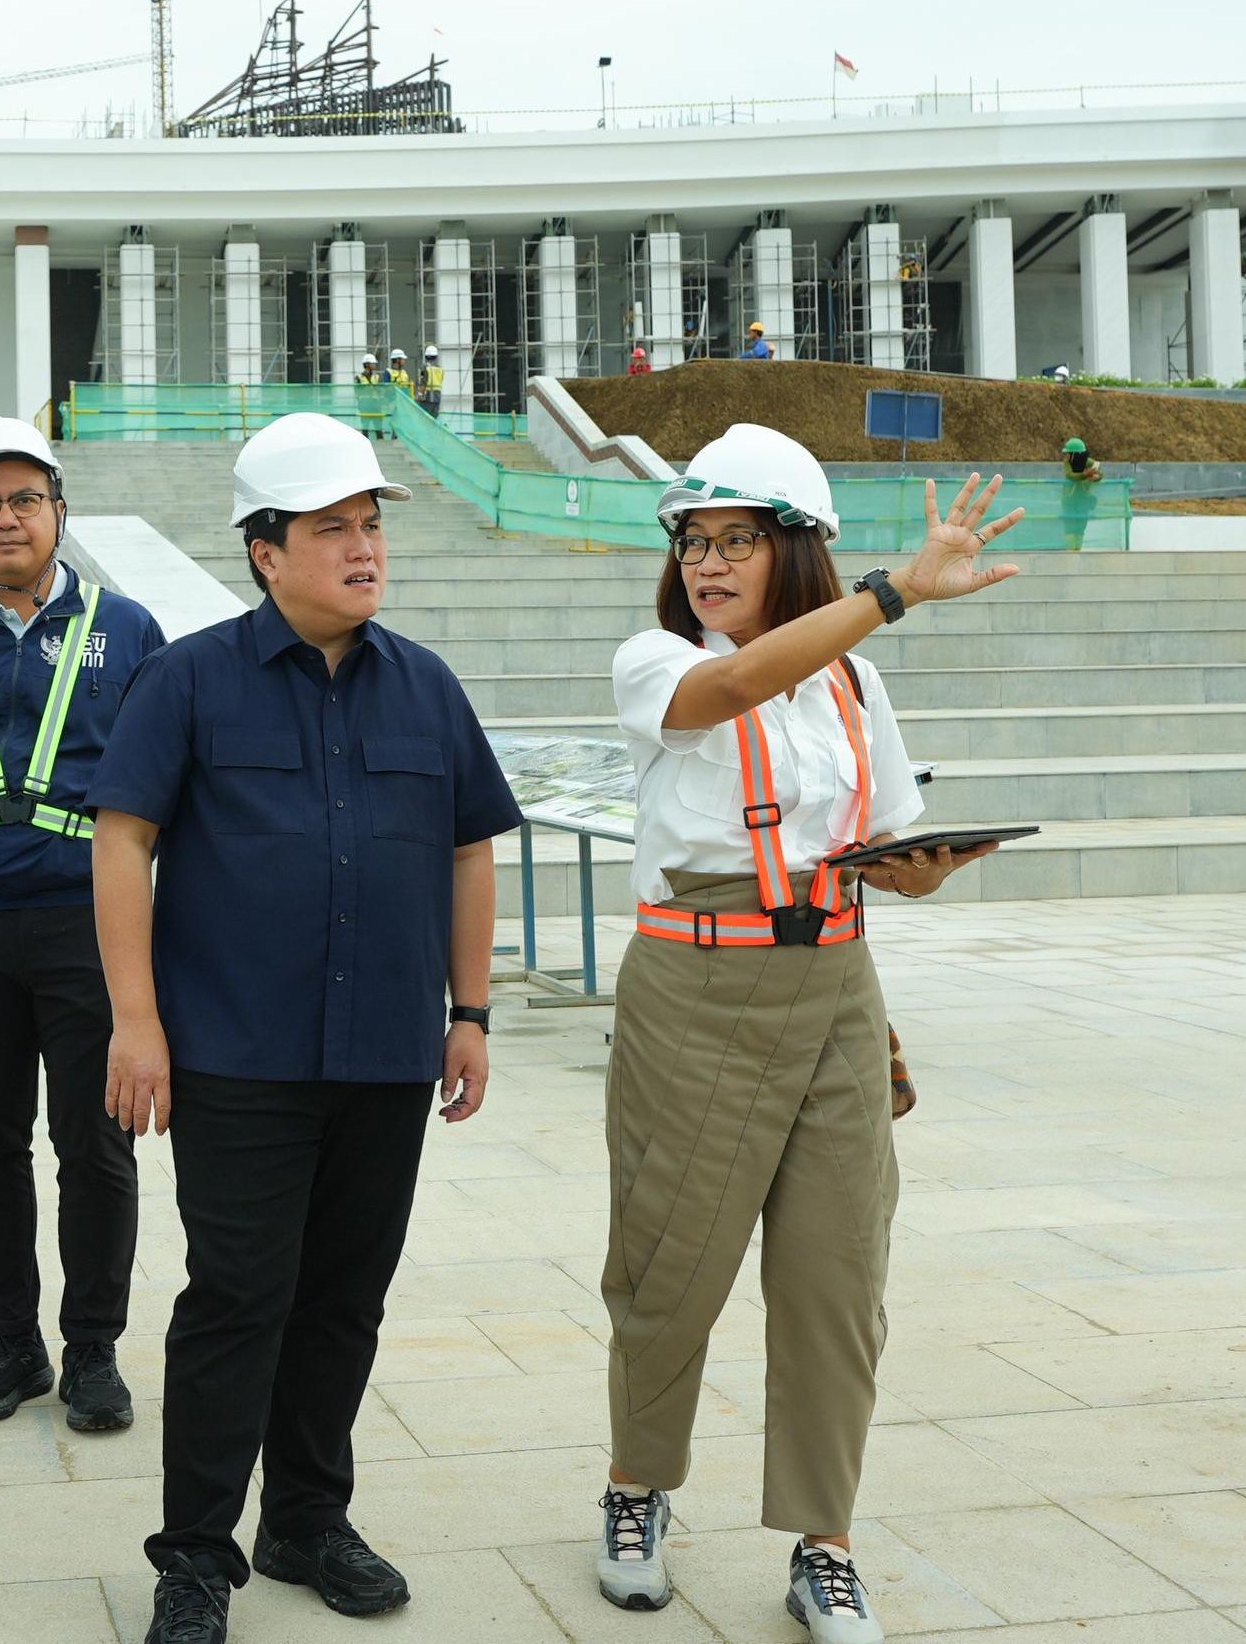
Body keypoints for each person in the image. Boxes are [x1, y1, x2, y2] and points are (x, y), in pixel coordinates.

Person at [94, 413, 523, 1644]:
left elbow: (465, 849)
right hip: (234, 1055)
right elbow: (121, 839)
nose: (362, 545)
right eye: (332, 526)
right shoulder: (189, 679)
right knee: (236, 1296)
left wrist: (471, 1012)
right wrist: (136, 1023)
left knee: (344, 1297)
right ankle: (192, 1554)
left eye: (371, 522)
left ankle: (305, 1518)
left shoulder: (423, 685)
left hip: (385, 1054)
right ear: (263, 550)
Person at [588, 427, 1020, 1642]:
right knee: (669, 1265)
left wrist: (921, 868)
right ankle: (636, 1489)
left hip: (834, 981)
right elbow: (724, 690)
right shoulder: (654, 658)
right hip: (693, 987)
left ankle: (823, 1541)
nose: (707, 562)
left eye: (736, 539)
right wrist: (893, 591)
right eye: (692, 540)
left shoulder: (852, 681)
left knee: (837, 1276)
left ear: (795, 551)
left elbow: (890, 843)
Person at [0, 416, 174, 1432]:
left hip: (88, 924)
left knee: (96, 1142)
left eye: (23, 500)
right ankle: (10, 1342)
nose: (4, 519)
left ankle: (91, 1346)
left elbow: (160, 777)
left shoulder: (125, 628)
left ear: (59, 511)